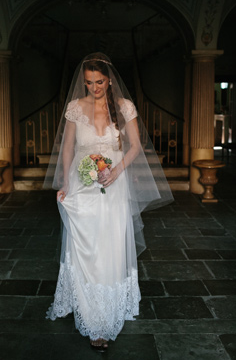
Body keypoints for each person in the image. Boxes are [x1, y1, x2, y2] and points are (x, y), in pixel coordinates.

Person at [44, 53, 173, 351]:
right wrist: (64, 182)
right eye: (89, 82)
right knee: (85, 246)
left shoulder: (124, 106)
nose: (94, 87)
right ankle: (90, 314)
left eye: (99, 82)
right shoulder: (76, 108)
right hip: (82, 182)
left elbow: (136, 146)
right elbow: (67, 149)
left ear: (110, 79)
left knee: (110, 245)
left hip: (114, 183)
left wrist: (115, 171)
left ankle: (107, 313)